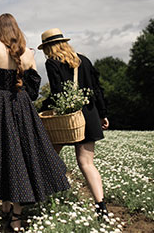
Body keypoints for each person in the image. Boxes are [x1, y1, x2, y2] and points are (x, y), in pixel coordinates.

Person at [0, 14, 70, 230]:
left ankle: (8, 207)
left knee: (3, 153)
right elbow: (32, 91)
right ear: (15, 28)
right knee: (21, 155)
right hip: (22, 105)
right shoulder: (29, 52)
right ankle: (15, 212)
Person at [38, 28, 110, 218]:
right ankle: (101, 206)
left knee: (49, 158)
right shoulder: (84, 60)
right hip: (90, 114)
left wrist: (40, 108)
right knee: (86, 163)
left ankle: (44, 200)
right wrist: (102, 114)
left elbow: (57, 92)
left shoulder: (52, 63)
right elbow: (97, 89)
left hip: (67, 119)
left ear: (47, 47)